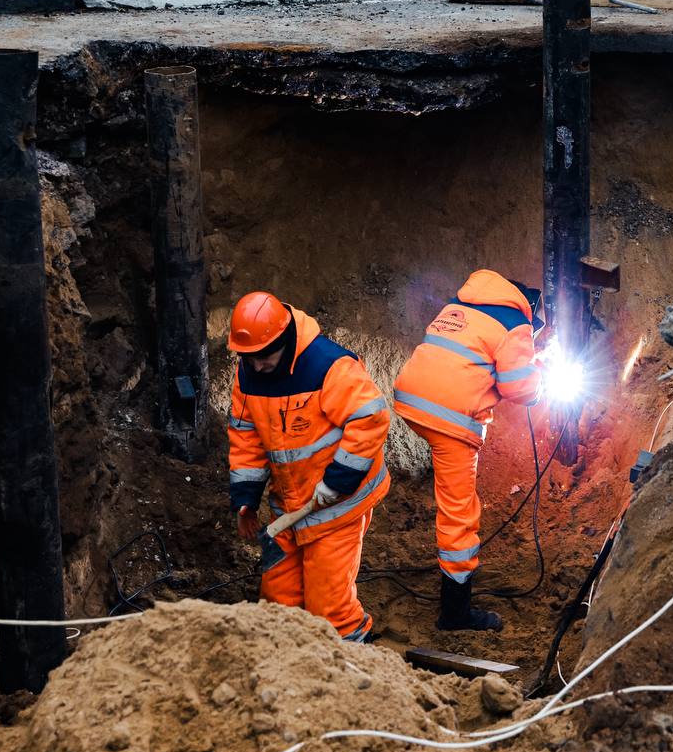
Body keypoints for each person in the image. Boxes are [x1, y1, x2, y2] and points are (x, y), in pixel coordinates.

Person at [227, 291, 391, 642]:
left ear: (283, 340)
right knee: (277, 606)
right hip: (288, 507)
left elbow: (371, 417)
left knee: (328, 610)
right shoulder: (249, 372)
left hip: (337, 506)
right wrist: (245, 497)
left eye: (263, 357)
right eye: (248, 358)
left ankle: (350, 657)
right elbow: (246, 435)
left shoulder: (328, 366)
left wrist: (337, 482)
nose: (256, 366)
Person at [393, 270, 544, 632]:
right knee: (459, 513)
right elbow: (519, 389)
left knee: (451, 497)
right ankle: (455, 613)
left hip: (410, 399)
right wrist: (539, 381)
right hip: (449, 418)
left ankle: (455, 599)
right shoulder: (517, 324)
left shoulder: (461, 303)